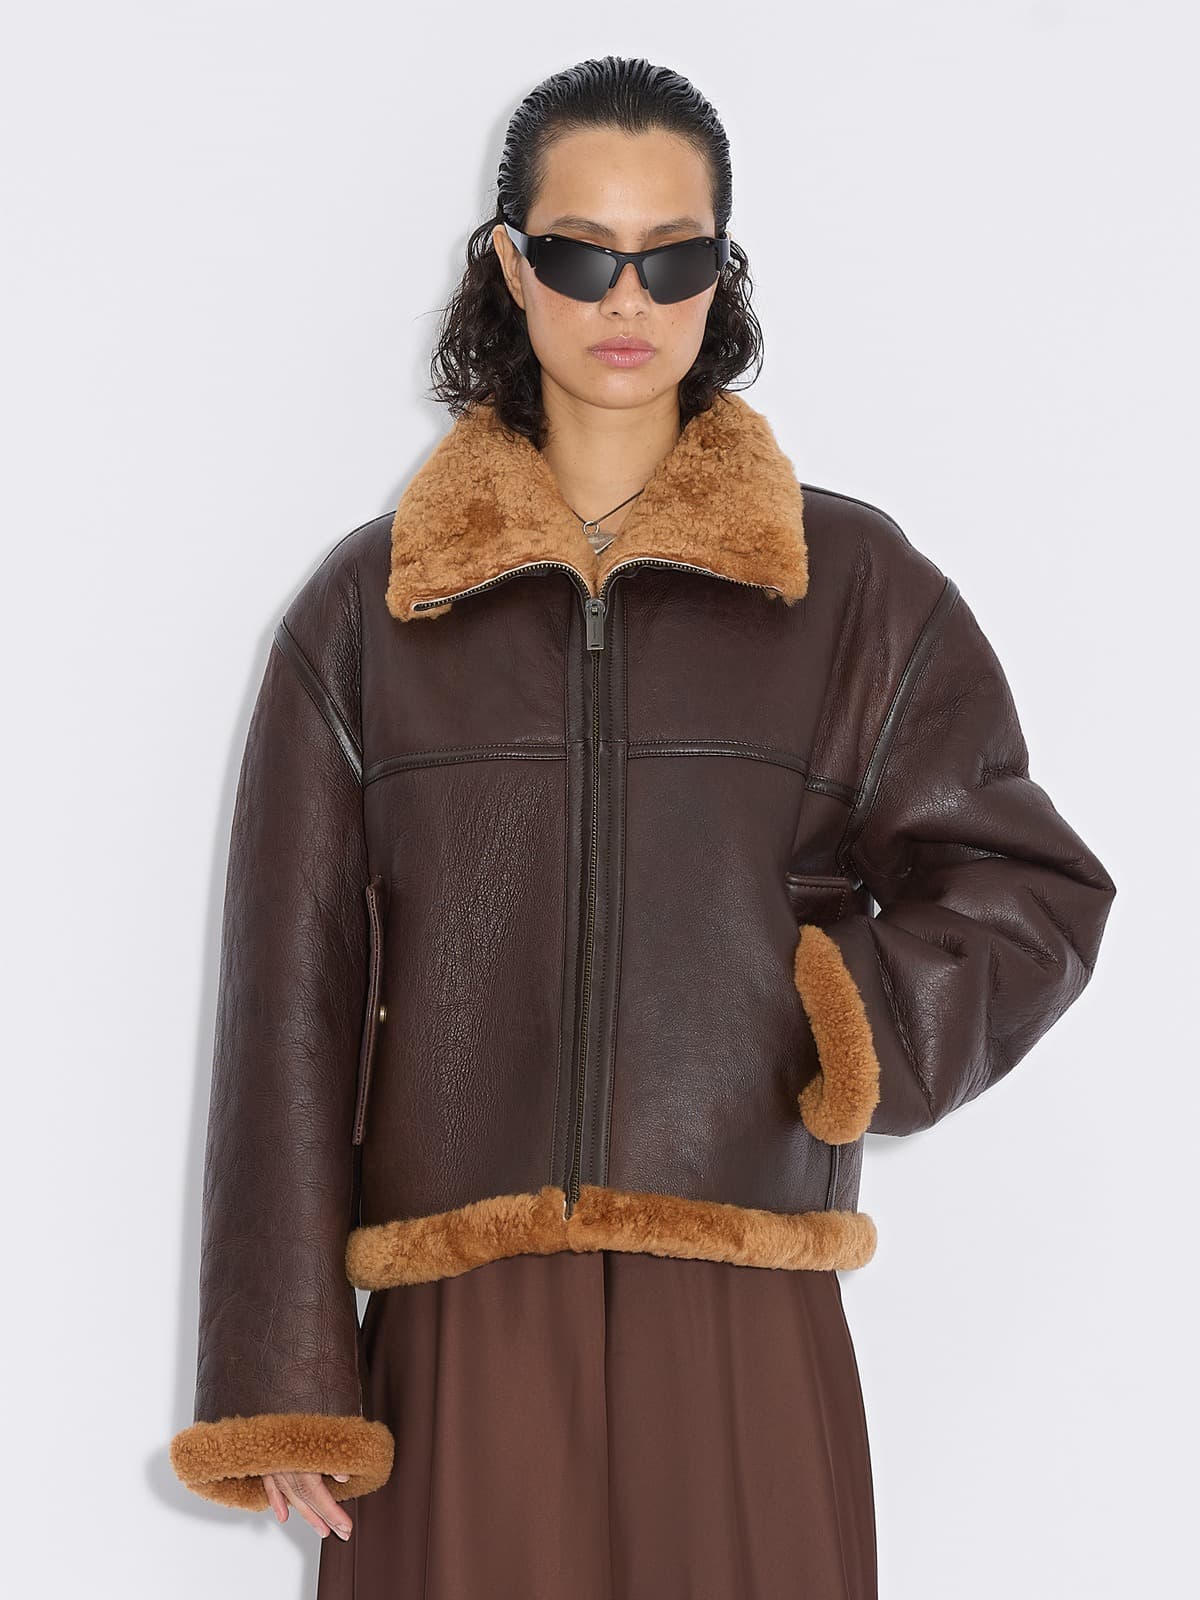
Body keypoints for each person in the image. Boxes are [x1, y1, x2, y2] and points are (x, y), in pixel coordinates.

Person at [168, 55, 1117, 1600]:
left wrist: (850, 1023)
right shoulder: (370, 611)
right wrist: (285, 1372)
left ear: (719, 274)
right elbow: (290, 999)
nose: (628, 297)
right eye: (581, 252)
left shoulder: (853, 591)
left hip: (742, 1304)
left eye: (672, 257)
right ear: (510, 264)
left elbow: (1032, 886)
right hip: (459, 1323)